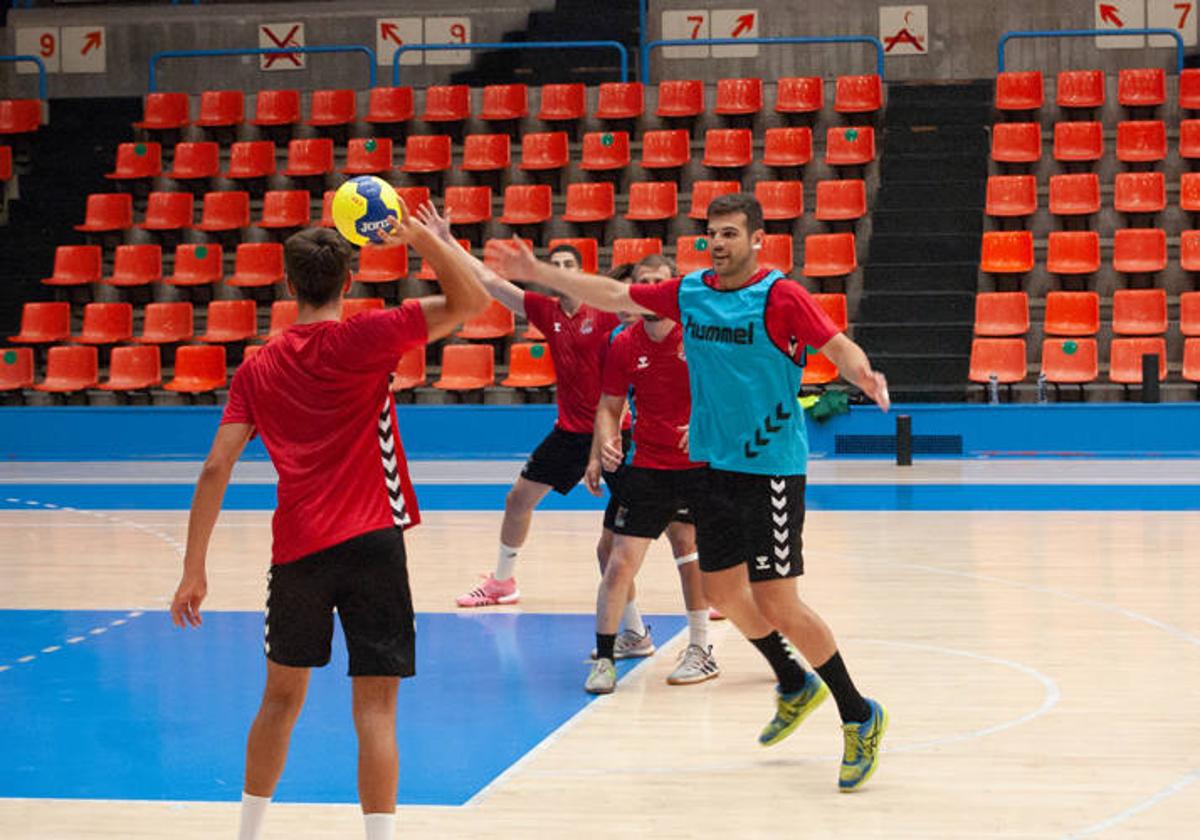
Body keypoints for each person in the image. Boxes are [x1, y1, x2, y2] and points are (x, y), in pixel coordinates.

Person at [484, 193, 891, 793]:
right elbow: (617, 296)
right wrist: (538, 274)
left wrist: (863, 373)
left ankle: (859, 713)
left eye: (730, 233)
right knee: (724, 589)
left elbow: (835, 345)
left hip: (772, 469)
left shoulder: (780, 296)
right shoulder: (691, 291)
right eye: (712, 234)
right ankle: (792, 679)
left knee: (777, 601)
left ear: (758, 239)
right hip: (714, 467)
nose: (719, 243)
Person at [169, 213, 490, 840]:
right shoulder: (369, 336)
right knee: (375, 709)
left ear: (289, 285)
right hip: (374, 540)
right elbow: (472, 300)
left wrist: (193, 569)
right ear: (351, 277)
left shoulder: (257, 369)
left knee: (280, 701)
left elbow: (215, 468)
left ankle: (248, 834)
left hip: (298, 551)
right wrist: (425, 240)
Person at [583, 254, 717, 694]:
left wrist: (701, 424)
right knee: (618, 560)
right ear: (635, 291)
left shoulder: (696, 337)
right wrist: (605, 439)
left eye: (662, 281)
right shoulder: (624, 343)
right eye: (645, 282)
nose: (654, 288)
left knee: (694, 555)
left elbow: (725, 392)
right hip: (650, 466)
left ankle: (702, 646)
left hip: (700, 467)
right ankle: (606, 658)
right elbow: (608, 404)